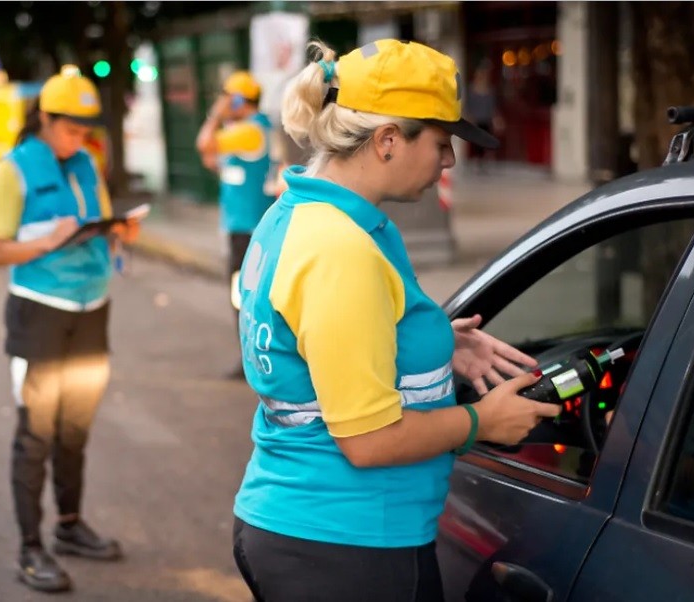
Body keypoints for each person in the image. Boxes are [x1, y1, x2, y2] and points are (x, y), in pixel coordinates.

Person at [230, 39, 562, 601]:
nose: (450, 160)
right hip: (347, 547)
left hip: (305, 530)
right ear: (387, 141)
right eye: (441, 142)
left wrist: (428, 342)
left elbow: (306, 347)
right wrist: (482, 420)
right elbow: (370, 441)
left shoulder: (300, 215)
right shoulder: (340, 249)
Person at [0, 65, 140, 594]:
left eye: (84, 130)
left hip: (91, 310)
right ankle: (31, 547)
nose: (79, 139)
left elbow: (98, 225)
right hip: (41, 313)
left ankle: (70, 527)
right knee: (37, 435)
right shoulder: (14, 170)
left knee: (75, 429)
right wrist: (50, 240)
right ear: (46, 119)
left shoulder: (87, 163)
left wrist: (118, 231)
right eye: (70, 129)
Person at [195, 71, 275, 379]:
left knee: (243, 296)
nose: (222, 102)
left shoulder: (249, 131)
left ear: (239, 99)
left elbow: (203, 144)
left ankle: (253, 362)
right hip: (247, 226)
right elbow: (212, 160)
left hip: (247, 230)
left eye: (226, 97)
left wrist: (215, 116)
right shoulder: (247, 131)